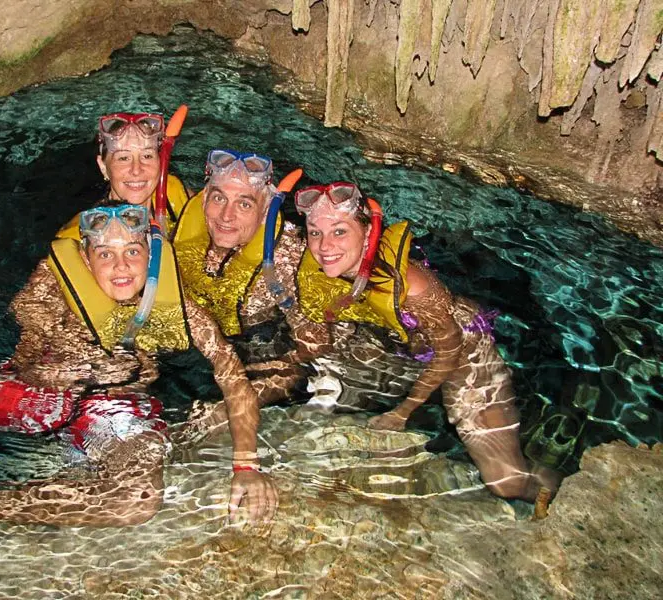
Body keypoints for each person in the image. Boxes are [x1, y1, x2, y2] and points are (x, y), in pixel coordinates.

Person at [0, 204, 276, 576]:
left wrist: (246, 465)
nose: (121, 266)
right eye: (105, 254)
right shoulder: (51, 294)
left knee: (138, 500)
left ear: (151, 257)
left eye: (133, 251)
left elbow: (232, 375)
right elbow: (24, 342)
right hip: (30, 388)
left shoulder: (182, 310)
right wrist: (61, 359)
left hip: (114, 405)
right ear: (85, 259)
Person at [293, 181, 560, 502]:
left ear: (367, 233)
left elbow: (450, 350)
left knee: (506, 482)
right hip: (406, 346)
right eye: (315, 233)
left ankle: (554, 483)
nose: (323, 246)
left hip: (464, 351)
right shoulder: (342, 268)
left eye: (339, 232)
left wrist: (402, 412)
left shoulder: (413, 285)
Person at [172, 150, 333, 409]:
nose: (226, 215)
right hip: (194, 350)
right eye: (218, 198)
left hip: (259, 348)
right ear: (203, 200)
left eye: (244, 204)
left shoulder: (287, 258)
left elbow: (318, 344)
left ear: (266, 211)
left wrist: (236, 402)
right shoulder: (174, 233)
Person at [56, 108, 190, 239]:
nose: (136, 170)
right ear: (103, 166)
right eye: (123, 158)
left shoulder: (172, 194)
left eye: (147, 156)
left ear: (160, 162)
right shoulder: (82, 234)